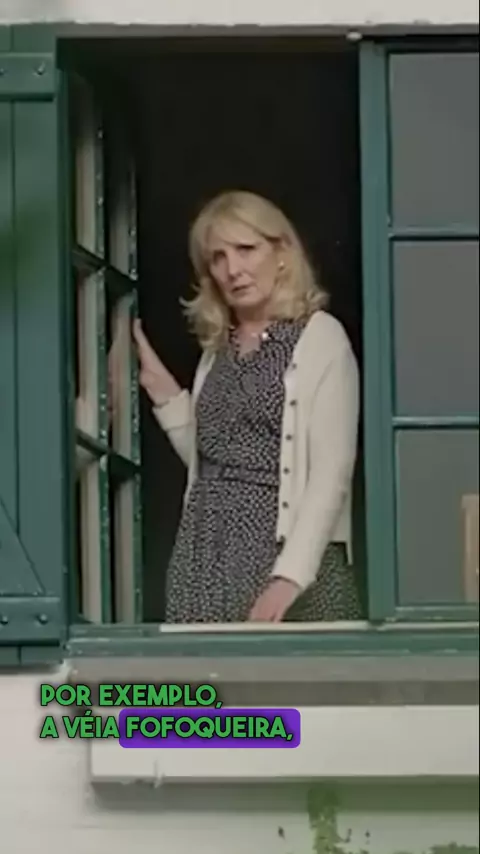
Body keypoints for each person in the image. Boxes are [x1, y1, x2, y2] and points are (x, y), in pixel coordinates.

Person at [132, 190, 361, 624]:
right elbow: (216, 457)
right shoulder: (218, 350)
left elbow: (331, 471)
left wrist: (290, 577)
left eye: (245, 249)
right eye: (217, 258)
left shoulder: (320, 338)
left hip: (284, 558)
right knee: (206, 670)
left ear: (282, 252)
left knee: (286, 670)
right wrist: (160, 389)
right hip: (205, 555)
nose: (232, 269)